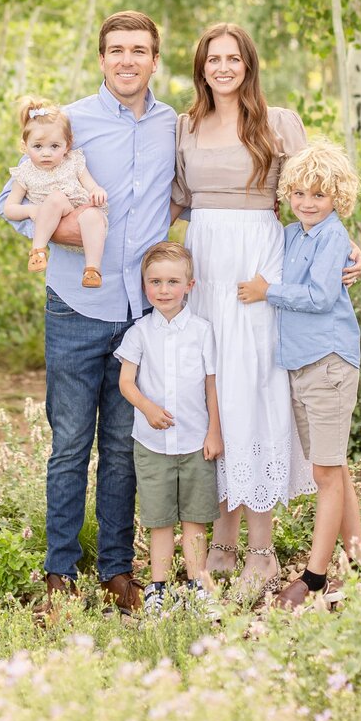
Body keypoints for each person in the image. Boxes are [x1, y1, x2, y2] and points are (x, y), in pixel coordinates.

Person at [171, 22, 361, 601]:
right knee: (217, 387)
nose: (223, 68)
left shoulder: (277, 122)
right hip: (205, 256)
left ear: (248, 65)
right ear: (201, 66)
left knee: (256, 386)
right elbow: (174, 203)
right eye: (213, 59)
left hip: (259, 258)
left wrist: (351, 248)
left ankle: (262, 548)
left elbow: (317, 192)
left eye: (234, 58)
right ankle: (224, 540)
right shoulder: (184, 125)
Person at [0, 12, 177, 614]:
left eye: (140, 51)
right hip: (77, 305)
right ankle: (59, 576)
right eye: (117, 50)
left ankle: (118, 572)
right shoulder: (69, 121)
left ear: (155, 59)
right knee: (71, 444)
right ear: (102, 58)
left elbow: (199, 193)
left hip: (140, 313)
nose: (128, 60)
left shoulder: (173, 126)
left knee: (125, 446)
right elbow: (9, 198)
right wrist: (63, 226)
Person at [238, 138, 361, 610]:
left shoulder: (332, 236)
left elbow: (320, 297)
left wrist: (267, 292)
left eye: (319, 195)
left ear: (337, 198)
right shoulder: (294, 234)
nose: (308, 203)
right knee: (334, 466)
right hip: (300, 364)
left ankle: (313, 577)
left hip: (328, 361)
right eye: (300, 195)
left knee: (326, 471)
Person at [115, 241, 223, 615]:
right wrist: (147, 408)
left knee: (195, 520)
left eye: (172, 282)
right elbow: (126, 383)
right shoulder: (139, 333)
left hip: (196, 441)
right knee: (159, 521)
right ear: (144, 285)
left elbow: (212, 385)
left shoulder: (202, 331)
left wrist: (215, 432)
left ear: (189, 286)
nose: (163, 290)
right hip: (152, 443)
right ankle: (158, 590)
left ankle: (199, 588)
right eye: (155, 282)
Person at [3, 97, 108, 286]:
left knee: (93, 215)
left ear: (67, 145)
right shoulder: (25, 173)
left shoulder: (73, 162)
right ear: (25, 146)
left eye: (54, 146)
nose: (46, 153)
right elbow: (8, 208)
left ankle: (92, 269)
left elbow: (91, 185)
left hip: (82, 219)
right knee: (56, 198)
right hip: (54, 221)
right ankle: (38, 251)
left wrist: (97, 191)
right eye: (37, 146)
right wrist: (32, 211)